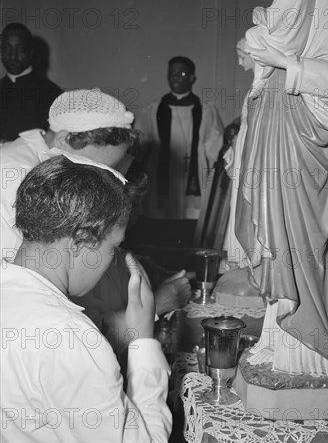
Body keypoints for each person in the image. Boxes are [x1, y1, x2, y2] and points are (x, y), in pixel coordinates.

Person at [218, 0, 328, 377]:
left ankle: (310, 358)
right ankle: (277, 342)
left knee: (294, 244)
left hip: (299, 143)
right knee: (269, 238)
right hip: (275, 129)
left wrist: (286, 64)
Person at [0, 155, 172, 443]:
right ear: (81, 241)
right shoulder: (68, 338)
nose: (114, 260)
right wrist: (144, 343)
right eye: (113, 247)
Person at [0, 88, 191, 328]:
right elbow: (30, 308)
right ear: (63, 139)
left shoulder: (43, 156)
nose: (104, 182)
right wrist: (149, 309)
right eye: (98, 168)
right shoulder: (12, 175)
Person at [133, 56, 223, 246]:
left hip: (194, 180)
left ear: (192, 78)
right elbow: (140, 145)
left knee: (190, 232)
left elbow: (215, 148)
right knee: (160, 234)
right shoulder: (154, 109)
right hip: (161, 182)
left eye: (182, 73)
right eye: (172, 73)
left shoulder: (206, 111)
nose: (176, 78)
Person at [222, 39, 255, 270]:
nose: (239, 62)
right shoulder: (255, 87)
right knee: (237, 204)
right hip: (243, 149)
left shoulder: (265, 87)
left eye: (242, 55)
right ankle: (237, 260)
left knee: (246, 206)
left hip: (251, 155)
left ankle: (246, 260)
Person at [0, 23, 62, 142]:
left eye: (20, 49)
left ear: (30, 51)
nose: (13, 56)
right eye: (7, 49)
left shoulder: (50, 92)